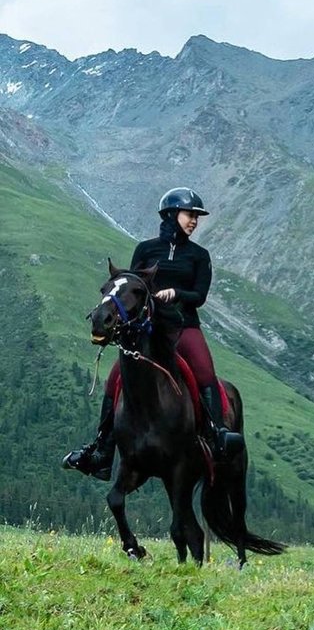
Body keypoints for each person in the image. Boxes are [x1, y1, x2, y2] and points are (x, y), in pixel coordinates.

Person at [62, 187, 236, 480]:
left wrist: (175, 292)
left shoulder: (199, 256)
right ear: (171, 214)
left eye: (196, 216)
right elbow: (132, 286)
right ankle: (102, 451)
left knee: (205, 373)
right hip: (150, 328)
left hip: (183, 325)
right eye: (189, 214)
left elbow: (199, 295)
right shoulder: (145, 249)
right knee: (116, 377)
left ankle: (217, 437)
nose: (194, 220)